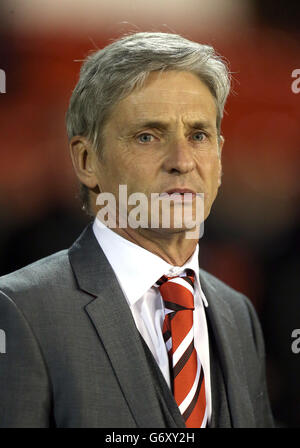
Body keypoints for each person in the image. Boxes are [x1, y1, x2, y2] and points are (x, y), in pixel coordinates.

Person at [0, 32, 274, 428]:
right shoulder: (20, 310)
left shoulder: (237, 313)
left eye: (198, 135)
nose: (182, 161)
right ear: (86, 161)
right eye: (148, 136)